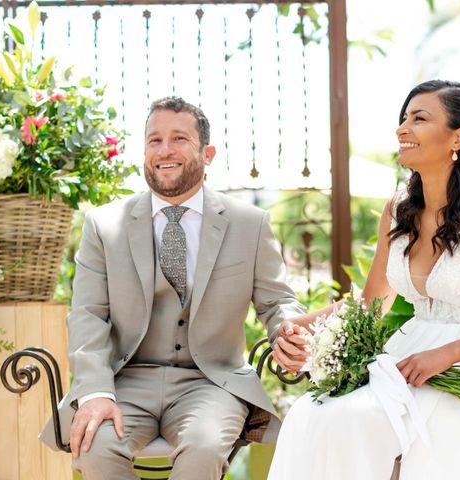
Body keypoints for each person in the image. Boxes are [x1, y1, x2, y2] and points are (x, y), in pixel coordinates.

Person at [269, 80, 460, 480]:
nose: (402, 129)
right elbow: (371, 303)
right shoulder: (399, 207)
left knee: (361, 424)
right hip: (410, 358)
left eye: (419, 119)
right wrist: (297, 327)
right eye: (403, 119)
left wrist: (448, 354)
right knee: (313, 415)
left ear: (459, 136)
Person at [39, 96, 306, 480]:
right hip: (126, 380)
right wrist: (96, 391)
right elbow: (88, 314)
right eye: (154, 140)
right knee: (95, 448)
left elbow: (277, 301)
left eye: (179, 138)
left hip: (212, 381)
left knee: (205, 449)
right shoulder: (103, 225)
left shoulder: (250, 223)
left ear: (207, 152)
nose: (164, 150)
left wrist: (289, 330)